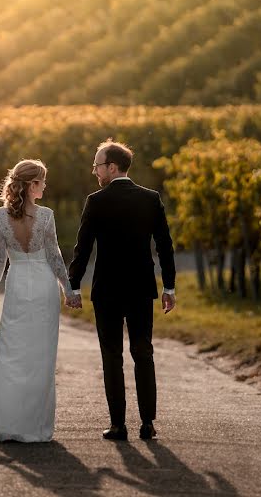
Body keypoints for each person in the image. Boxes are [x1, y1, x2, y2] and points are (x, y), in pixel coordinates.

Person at [68, 139, 176, 442]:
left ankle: (118, 425)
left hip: (107, 290)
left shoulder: (96, 201)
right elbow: (165, 247)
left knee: (112, 355)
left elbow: (83, 248)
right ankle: (147, 423)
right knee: (143, 352)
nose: (94, 172)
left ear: (112, 168)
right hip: (142, 288)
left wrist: (73, 285)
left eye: (97, 166)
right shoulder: (151, 198)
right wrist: (169, 286)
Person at [0, 159, 79, 442]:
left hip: (16, 286)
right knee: (40, 355)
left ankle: (8, 423)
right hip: (42, 286)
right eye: (42, 181)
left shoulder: (1, 216)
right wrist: (68, 290)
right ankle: (33, 426)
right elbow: (55, 257)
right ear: (31, 185)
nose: (45, 186)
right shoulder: (46, 216)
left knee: (12, 353)